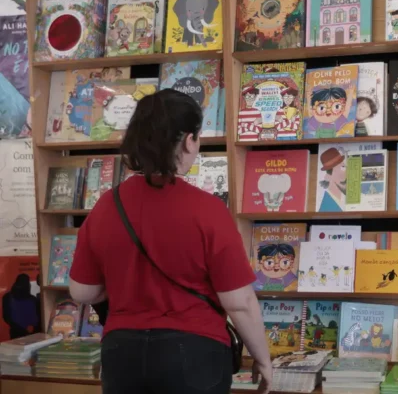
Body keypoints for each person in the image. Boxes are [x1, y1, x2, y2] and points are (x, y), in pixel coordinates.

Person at [68, 89, 272, 394]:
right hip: (194, 354)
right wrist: (262, 359)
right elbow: (239, 302)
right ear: (189, 140)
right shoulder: (208, 210)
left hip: (122, 355)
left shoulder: (107, 206)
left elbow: (82, 291)